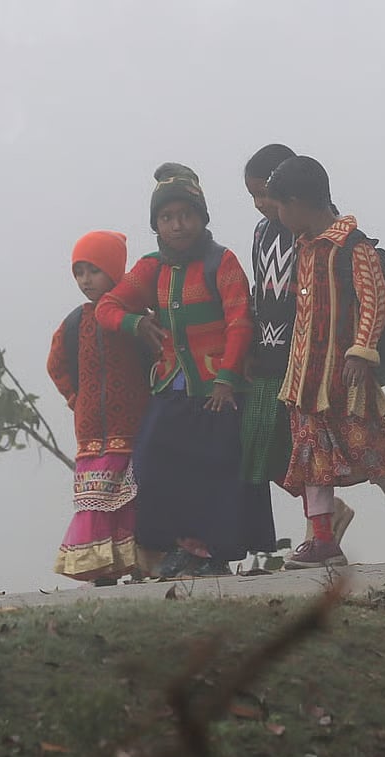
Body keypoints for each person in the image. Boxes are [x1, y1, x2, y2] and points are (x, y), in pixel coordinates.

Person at [96, 163, 276, 577]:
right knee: (153, 464)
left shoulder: (221, 261)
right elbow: (108, 307)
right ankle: (182, 546)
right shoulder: (150, 268)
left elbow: (239, 322)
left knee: (216, 471)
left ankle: (212, 554)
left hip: (218, 391)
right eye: (167, 217)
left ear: (201, 217)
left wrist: (227, 378)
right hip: (171, 387)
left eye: (186, 216)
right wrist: (136, 322)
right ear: (156, 224)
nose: (177, 225)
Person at [264, 155, 385, 568]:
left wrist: (362, 353)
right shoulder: (305, 246)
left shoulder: (353, 246)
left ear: (296, 201)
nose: (279, 217)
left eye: (280, 208)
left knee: (368, 449)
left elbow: (373, 302)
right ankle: (323, 539)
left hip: (343, 374)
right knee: (311, 456)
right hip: (307, 376)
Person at [242, 144, 355, 549]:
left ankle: (319, 527)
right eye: (252, 196)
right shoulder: (261, 232)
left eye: (264, 194)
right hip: (268, 353)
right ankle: (327, 513)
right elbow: (259, 290)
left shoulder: (317, 232)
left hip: (305, 356)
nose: (259, 205)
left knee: (303, 446)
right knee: (259, 443)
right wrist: (252, 344)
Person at [47, 230, 150, 584]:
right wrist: (77, 400)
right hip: (91, 436)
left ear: (115, 270)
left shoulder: (135, 316)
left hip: (134, 430)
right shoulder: (75, 322)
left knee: (132, 499)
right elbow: (56, 365)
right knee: (95, 501)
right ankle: (100, 568)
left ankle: (138, 564)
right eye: (79, 272)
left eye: (94, 270)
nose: (85, 280)